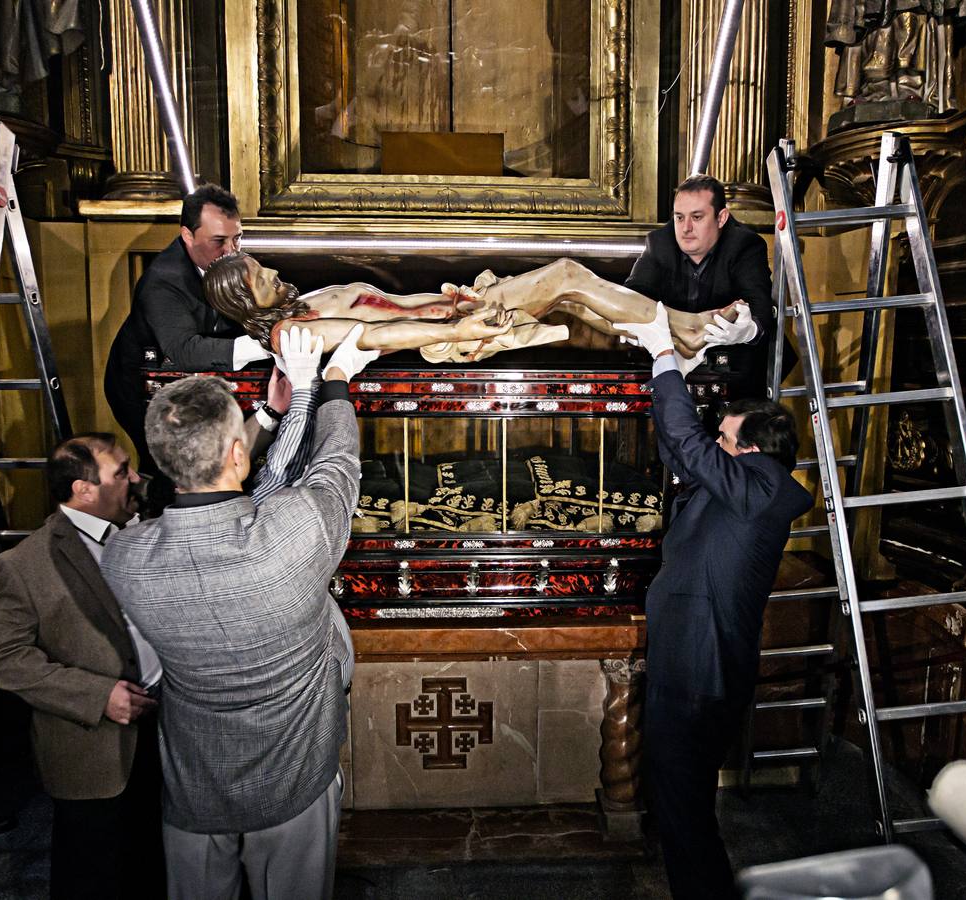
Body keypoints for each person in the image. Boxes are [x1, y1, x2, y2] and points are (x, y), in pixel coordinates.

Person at [99, 325, 377, 900]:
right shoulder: (294, 530)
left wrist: (277, 411)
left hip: (195, 785)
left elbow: (236, 492)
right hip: (294, 778)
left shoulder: (124, 558)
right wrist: (331, 383)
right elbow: (336, 464)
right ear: (235, 452)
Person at [614, 305, 814, 899]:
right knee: (679, 805)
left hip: (701, 675)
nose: (715, 443)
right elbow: (682, 451)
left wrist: (664, 359)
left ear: (751, 452)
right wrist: (672, 375)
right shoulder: (741, 485)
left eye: (725, 438)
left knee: (685, 813)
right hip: (690, 667)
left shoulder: (763, 489)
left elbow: (690, 444)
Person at [0, 432, 166, 900]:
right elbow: (0, 659)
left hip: (165, 736)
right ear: (83, 490)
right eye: (121, 472)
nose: (136, 478)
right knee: (93, 877)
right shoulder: (24, 564)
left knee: (154, 870)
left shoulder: (146, 530)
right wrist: (98, 695)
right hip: (92, 754)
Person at [201, 251, 747, 364]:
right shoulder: (292, 334)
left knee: (567, 290)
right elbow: (378, 337)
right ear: (245, 301)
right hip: (442, 339)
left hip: (446, 317)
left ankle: (684, 333)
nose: (271, 272)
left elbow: (390, 304)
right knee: (564, 276)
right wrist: (461, 326)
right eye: (259, 277)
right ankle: (687, 330)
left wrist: (448, 297)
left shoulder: (300, 303)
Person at [104, 184, 270, 476]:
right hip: (139, 388)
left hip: (193, 384)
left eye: (237, 238)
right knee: (171, 472)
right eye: (219, 240)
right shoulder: (162, 281)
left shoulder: (225, 259)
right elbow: (185, 349)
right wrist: (267, 345)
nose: (231, 250)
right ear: (187, 235)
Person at [625, 174, 777, 397]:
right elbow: (636, 293)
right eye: (679, 217)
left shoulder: (745, 244)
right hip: (676, 370)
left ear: (721, 217)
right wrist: (631, 319)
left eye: (696, 217)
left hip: (738, 376)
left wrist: (749, 330)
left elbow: (760, 306)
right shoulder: (659, 243)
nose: (685, 228)